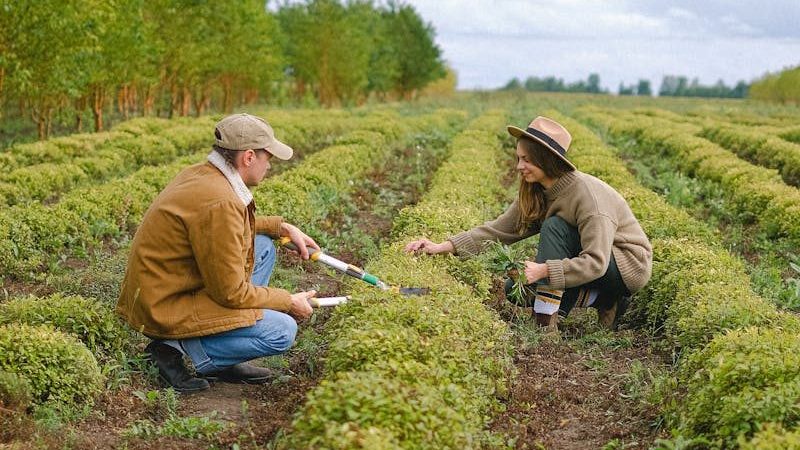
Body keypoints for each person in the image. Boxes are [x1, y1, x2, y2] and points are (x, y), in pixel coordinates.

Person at [117, 113, 319, 392]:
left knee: (261, 247)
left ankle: (220, 351)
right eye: (268, 157)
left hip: (166, 288)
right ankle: (171, 351)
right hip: (165, 305)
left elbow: (222, 226)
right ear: (248, 157)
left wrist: (281, 227)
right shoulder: (220, 200)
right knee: (282, 330)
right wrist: (286, 301)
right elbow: (231, 293)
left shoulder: (203, 175)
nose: (269, 166)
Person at [405, 116, 652, 332]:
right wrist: (442, 246)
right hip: (590, 261)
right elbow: (500, 229)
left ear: (546, 161)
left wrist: (544, 271)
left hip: (624, 265)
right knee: (516, 290)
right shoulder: (537, 190)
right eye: (518, 158)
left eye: (526, 160)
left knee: (554, 227)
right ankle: (605, 300)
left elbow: (596, 262)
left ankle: (545, 323)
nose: (519, 167)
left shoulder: (588, 198)